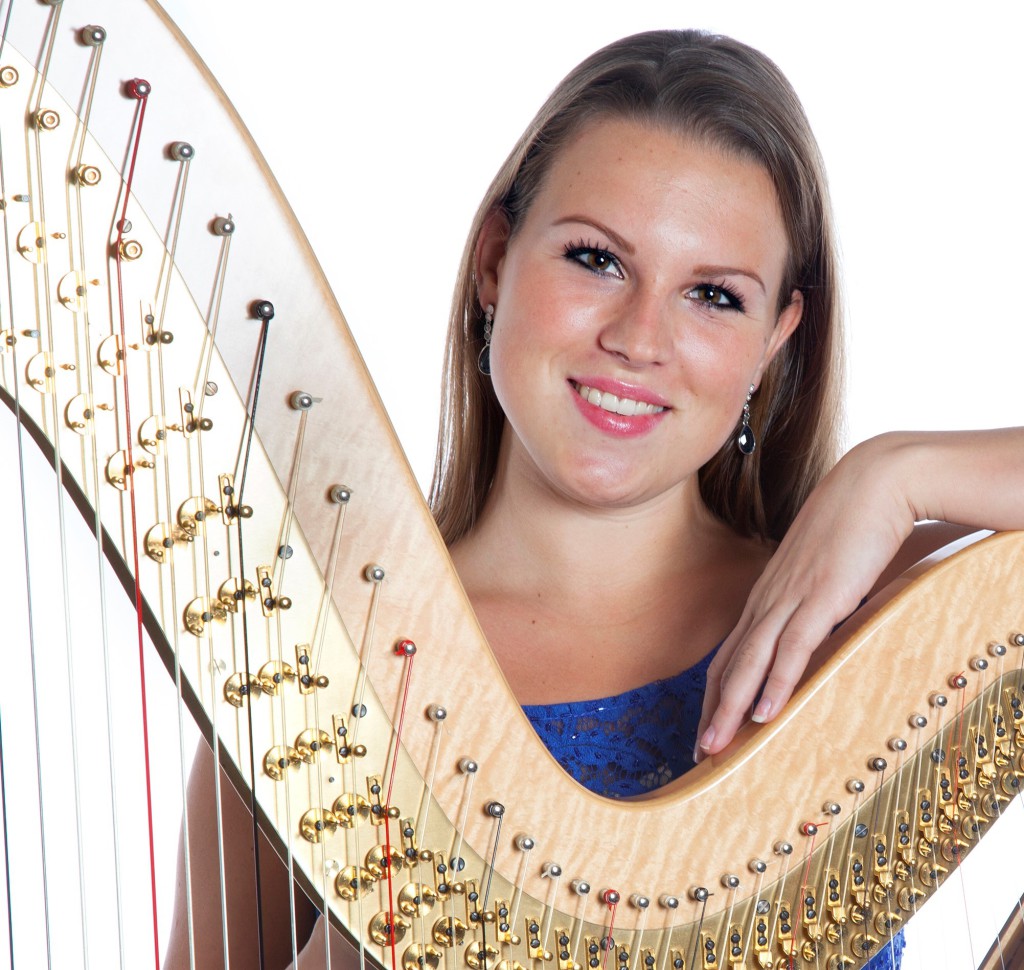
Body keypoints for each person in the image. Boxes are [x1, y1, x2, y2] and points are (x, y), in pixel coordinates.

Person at [167, 28, 1024, 970]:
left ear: (776, 340)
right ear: (496, 259)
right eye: (597, 260)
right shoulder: (313, 686)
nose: (639, 337)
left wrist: (897, 472)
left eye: (714, 296)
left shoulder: (864, 616)